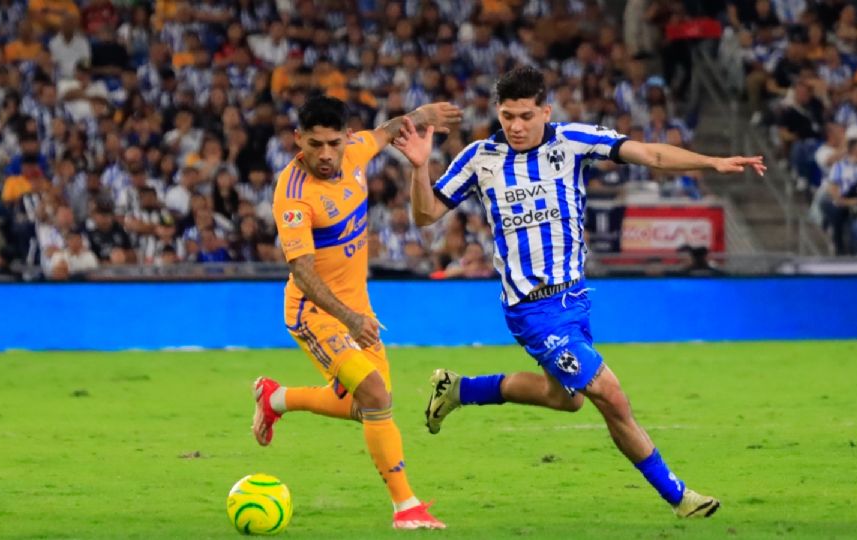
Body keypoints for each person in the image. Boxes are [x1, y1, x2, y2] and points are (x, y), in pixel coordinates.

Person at [391, 66, 765, 519]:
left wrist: (712, 162)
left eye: (526, 115)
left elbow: (651, 155)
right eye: (507, 115)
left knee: (564, 399)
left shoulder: (573, 141)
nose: (516, 125)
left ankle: (460, 390)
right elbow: (427, 214)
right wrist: (419, 167)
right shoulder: (479, 158)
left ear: (545, 110)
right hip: (532, 310)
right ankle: (678, 495)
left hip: (575, 299)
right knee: (611, 396)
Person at [252, 95, 461, 530]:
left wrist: (423, 116)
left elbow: (387, 130)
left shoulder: (357, 150)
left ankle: (277, 398)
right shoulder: (292, 195)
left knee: (369, 407)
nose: (326, 155)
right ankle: (406, 508)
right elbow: (302, 273)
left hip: (357, 307)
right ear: (298, 140)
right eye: (315, 145)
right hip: (316, 313)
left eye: (333, 143)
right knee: (376, 397)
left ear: (346, 139)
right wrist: (349, 318)